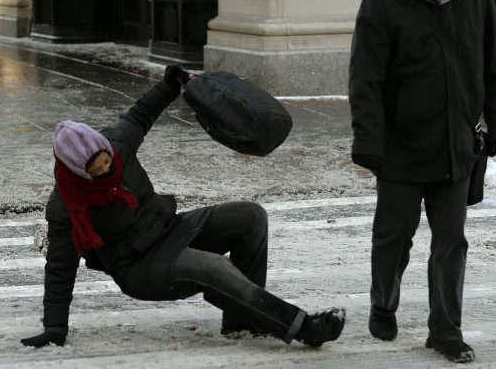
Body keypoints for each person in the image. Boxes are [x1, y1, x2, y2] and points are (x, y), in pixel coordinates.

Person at [21, 66, 346, 349]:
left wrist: (169, 85)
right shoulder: (66, 205)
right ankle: (303, 327)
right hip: (138, 266)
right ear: (77, 170)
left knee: (250, 217)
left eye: (107, 159)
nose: (107, 168)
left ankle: (243, 321)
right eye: (97, 167)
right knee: (213, 268)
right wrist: (54, 328)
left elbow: (140, 114)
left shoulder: (116, 146)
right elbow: (60, 268)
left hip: (169, 229)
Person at [348, 0, 496, 364]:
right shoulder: (382, 1)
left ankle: (446, 331)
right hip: (401, 147)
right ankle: (383, 303)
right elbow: (365, 80)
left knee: (451, 243)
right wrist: (368, 141)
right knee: (393, 237)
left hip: (457, 144)